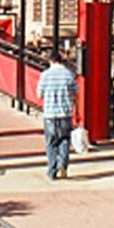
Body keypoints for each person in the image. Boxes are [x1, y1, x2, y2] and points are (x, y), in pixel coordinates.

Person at [38, 52, 78, 180]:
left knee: (51, 142)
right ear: (61, 61)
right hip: (65, 112)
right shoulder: (69, 74)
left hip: (50, 113)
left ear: (50, 61)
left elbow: (39, 93)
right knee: (65, 139)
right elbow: (75, 93)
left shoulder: (45, 75)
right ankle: (63, 165)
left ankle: (52, 170)